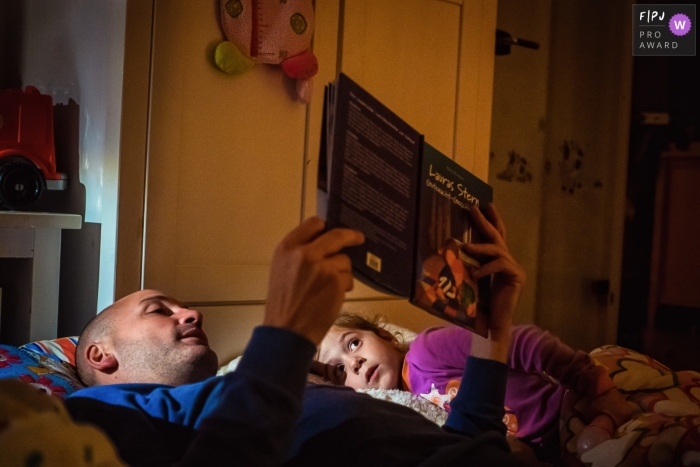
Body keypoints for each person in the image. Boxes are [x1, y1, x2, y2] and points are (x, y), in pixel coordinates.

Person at [65, 205, 533, 466]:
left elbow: (473, 444)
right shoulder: (87, 417)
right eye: (158, 310)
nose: (190, 312)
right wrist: (286, 333)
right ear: (101, 354)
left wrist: (492, 326)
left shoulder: (244, 391)